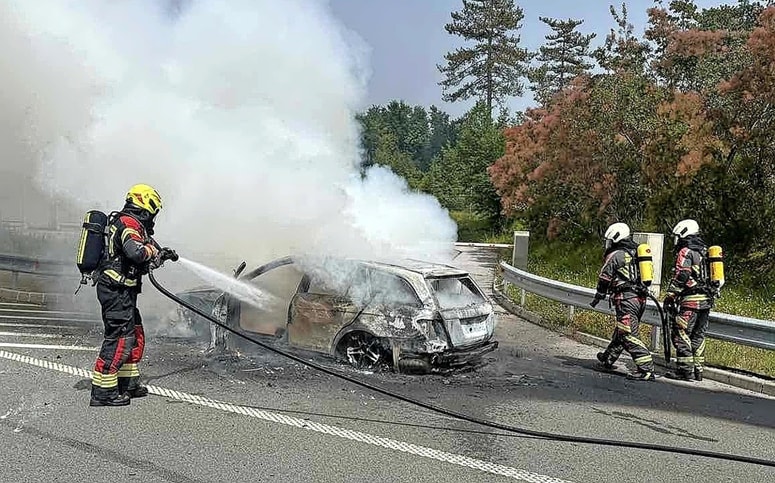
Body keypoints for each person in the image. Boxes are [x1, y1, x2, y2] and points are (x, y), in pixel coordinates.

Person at [90, 184, 178, 407]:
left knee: (133, 332)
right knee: (119, 338)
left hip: (123, 291)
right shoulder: (129, 224)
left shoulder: (131, 223)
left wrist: (161, 253)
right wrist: (151, 251)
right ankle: (103, 391)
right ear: (146, 209)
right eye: (153, 214)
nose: (153, 219)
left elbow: (142, 249)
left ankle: (127, 383)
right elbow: (135, 252)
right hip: (115, 291)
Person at [589, 222, 655, 381]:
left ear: (616, 238)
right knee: (622, 330)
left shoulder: (617, 254)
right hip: (639, 299)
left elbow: (605, 277)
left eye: (610, 240)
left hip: (626, 299)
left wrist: (599, 295)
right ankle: (607, 358)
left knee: (627, 332)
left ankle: (646, 369)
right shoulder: (636, 252)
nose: (609, 243)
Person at [663, 219, 713, 381]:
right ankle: (698, 371)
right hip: (706, 300)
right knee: (698, 335)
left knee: (680, 332)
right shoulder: (704, 251)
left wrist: (671, 295)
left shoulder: (685, 251)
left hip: (691, 300)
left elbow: (682, 275)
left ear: (683, 233)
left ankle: (684, 370)